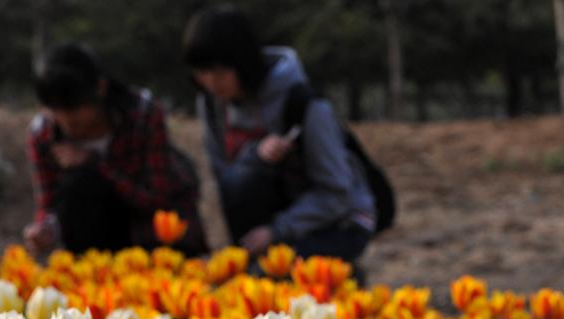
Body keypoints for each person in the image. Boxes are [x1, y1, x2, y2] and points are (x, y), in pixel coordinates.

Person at [183, 6, 376, 262]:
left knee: (279, 278)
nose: (211, 82)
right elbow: (227, 180)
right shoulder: (212, 105)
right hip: (273, 223)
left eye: (220, 72)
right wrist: (255, 157)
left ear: (244, 64)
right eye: (201, 72)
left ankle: (338, 270)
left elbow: (337, 193)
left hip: (336, 221)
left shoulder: (304, 105)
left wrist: (276, 231)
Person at [24, 42, 206, 255]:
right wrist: (46, 229)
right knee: (78, 185)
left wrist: (96, 163)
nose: (65, 120)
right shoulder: (44, 134)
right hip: (95, 243)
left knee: (85, 178)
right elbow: (48, 204)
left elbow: (157, 200)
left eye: (73, 107)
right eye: (55, 109)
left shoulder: (142, 116)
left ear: (100, 88)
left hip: (153, 237)